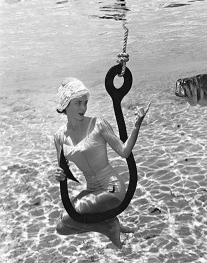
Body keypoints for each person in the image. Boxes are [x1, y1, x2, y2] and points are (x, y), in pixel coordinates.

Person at [54, 77, 150, 248]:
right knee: (61, 227)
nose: (83, 108)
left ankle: (109, 227)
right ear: (66, 104)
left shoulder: (98, 124)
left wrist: (136, 126)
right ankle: (108, 225)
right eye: (78, 103)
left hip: (112, 187)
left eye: (85, 103)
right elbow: (63, 171)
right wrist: (59, 175)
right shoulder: (59, 137)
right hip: (92, 190)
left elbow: (124, 151)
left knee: (69, 217)